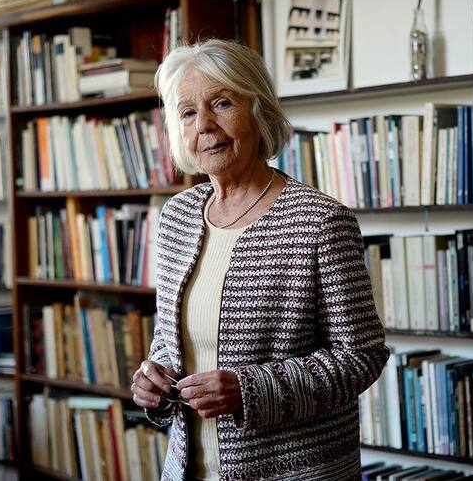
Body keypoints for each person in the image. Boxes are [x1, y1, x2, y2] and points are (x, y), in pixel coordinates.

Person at [130, 39, 389, 481]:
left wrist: (251, 389)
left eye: (222, 103)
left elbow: (361, 356)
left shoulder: (320, 221)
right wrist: (155, 377)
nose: (204, 125)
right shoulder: (176, 217)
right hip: (187, 469)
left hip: (297, 472)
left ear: (258, 110)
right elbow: (172, 338)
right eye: (188, 113)